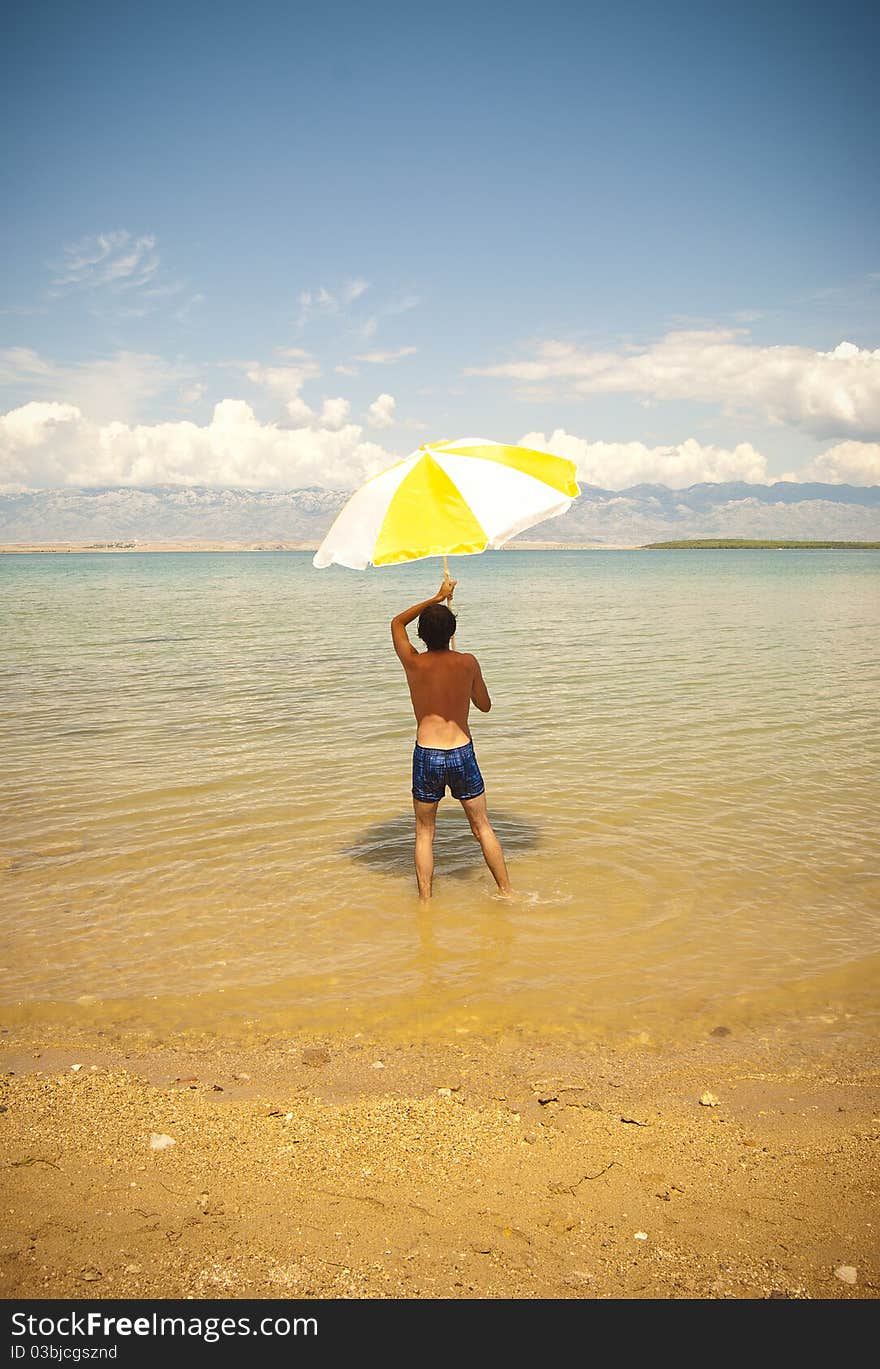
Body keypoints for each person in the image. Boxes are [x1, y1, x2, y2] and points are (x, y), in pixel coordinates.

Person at [391, 573, 512, 901]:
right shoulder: (467, 662)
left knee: (425, 833)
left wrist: (435, 597)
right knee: (482, 827)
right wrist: (466, 684)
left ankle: (426, 904)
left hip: (427, 753)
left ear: (422, 635)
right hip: (461, 752)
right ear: (453, 632)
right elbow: (484, 706)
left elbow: (397, 622)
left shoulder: (414, 664)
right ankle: (507, 892)